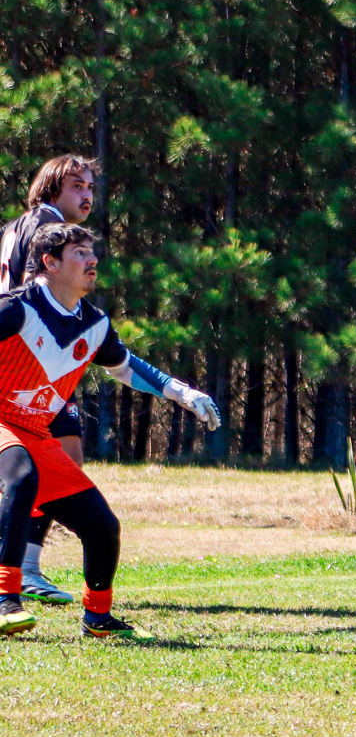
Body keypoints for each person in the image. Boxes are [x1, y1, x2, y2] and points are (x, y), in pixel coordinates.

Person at [0, 222, 219, 640]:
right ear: (50, 263)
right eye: (79, 252)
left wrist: (182, 392)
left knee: (102, 525)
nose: (92, 260)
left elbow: (126, 367)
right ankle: (4, 600)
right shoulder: (16, 308)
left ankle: (97, 619)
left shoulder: (95, 324)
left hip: (33, 432)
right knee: (22, 478)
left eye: (92, 251)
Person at [1, 154, 100, 605]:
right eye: (77, 185)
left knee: (60, 458)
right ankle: (23, 568)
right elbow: (34, 291)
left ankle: (23, 563)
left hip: (26, 355)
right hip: (30, 359)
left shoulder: (14, 226)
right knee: (49, 465)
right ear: (50, 188)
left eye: (90, 186)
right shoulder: (48, 226)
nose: (87, 194)